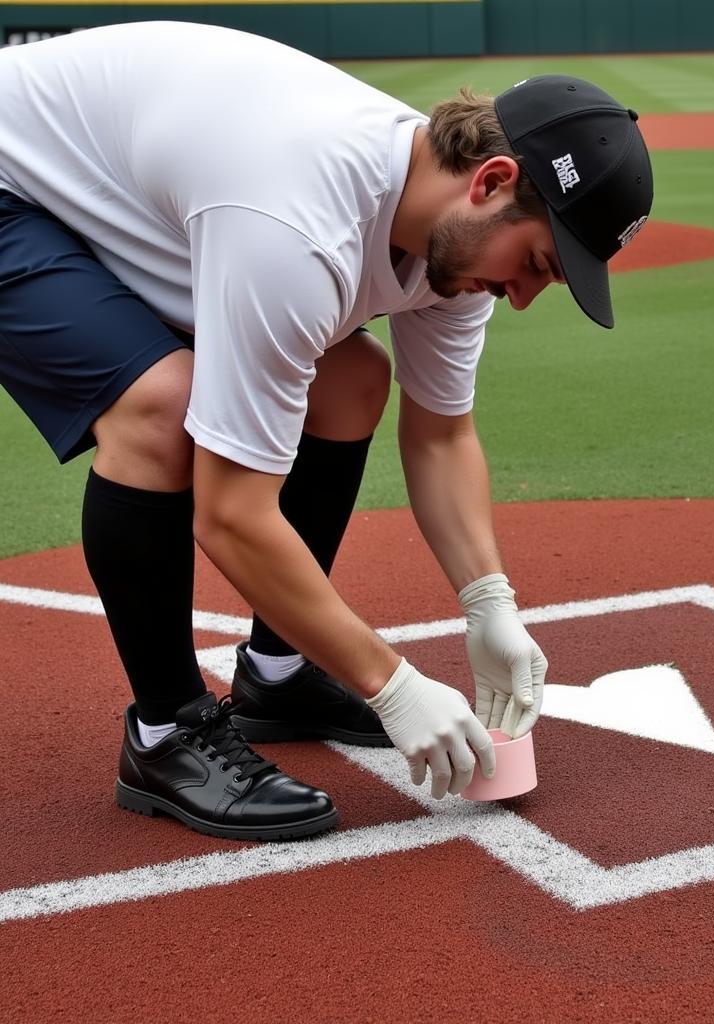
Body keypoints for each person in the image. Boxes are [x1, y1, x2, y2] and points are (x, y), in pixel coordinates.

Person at [0, 21, 654, 841]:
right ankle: (167, 732)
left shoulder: (449, 237)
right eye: (538, 264)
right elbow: (230, 513)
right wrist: (391, 684)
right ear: (491, 180)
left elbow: (443, 434)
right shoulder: (298, 226)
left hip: (117, 181)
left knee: (352, 379)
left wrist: (490, 603)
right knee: (163, 410)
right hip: (11, 184)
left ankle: (279, 673)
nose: (521, 296)